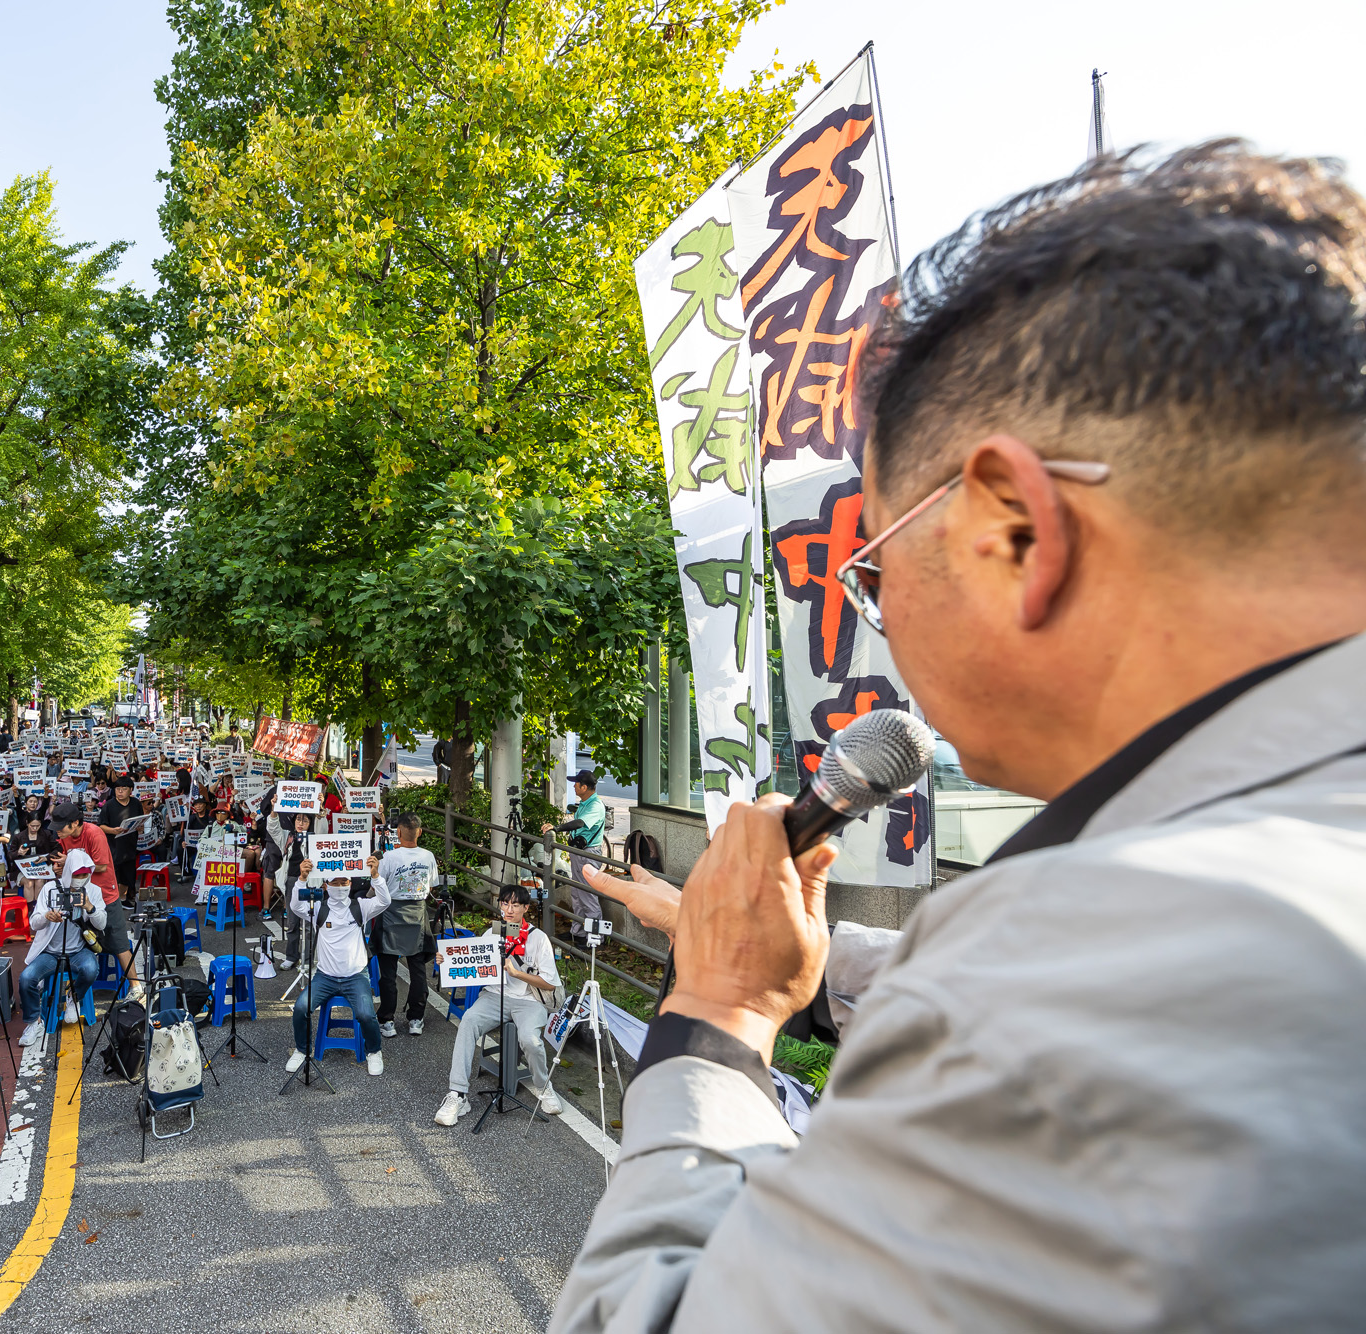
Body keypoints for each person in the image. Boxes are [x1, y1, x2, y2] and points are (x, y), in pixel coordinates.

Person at [554, 145, 1366, 1330]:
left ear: (1010, 530)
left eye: (873, 568)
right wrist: (800, 964)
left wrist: (719, 1015)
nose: (875, 612)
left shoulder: (1070, 989)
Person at [434, 885, 563, 1125]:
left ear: (526, 908)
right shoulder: (491, 933)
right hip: (495, 995)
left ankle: (543, 1086)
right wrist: (447, 960)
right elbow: (472, 965)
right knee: (468, 1022)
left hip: (529, 1000)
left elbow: (549, 984)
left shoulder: (538, 938)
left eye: (515, 905)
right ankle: (457, 1093)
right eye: (505, 904)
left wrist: (517, 973)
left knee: (530, 1040)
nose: (509, 910)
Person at [285, 855, 391, 1077]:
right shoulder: (317, 909)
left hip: (356, 976)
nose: (341, 886)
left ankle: (374, 1051)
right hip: (325, 977)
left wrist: (376, 876)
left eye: (345, 882)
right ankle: (302, 1050)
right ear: (325, 886)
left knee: (366, 1014)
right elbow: (295, 906)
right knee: (301, 1008)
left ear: (351, 883)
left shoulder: (360, 907)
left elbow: (384, 901)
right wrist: (302, 878)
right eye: (335, 882)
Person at [53, 802, 143, 1001]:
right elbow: (70, 862)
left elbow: (101, 866)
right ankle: (78, 987)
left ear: (75, 823)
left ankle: (136, 986)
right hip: (78, 895)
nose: (58, 831)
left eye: (61, 827)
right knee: (78, 939)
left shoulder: (94, 833)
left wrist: (68, 864)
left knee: (118, 941)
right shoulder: (65, 837)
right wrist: (61, 868)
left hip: (104, 894)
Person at [17, 849, 108, 1042]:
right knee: (26, 978)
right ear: (68, 873)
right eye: (77, 875)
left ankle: (74, 998)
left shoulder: (93, 891)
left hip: (79, 950)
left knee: (91, 969)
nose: (81, 879)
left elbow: (102, 924)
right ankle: (34, 1022)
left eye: (85, 874)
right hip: (50, 952)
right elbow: (34, 922)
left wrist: (89, 907)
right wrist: (46, 917)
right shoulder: (50, 889)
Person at [374, 812, 439, 1037]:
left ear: (398, 832)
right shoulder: (428, 856)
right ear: (419, 832)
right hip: (417, 913)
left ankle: (387, 1020)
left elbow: (377, 886)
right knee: (418, 970)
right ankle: (416, 1018)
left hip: (391, 913)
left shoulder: (388, 857)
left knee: (388, 972)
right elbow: (431, 886)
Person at [542, 768, 606, 934]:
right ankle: (578, 932)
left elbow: (580, 823)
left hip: (589, 855)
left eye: (576, 784)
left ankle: (594, 938)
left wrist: (557, 828)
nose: (574, 787)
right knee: (577, 894)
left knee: (587, 895)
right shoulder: (585, 803)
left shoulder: (596, 806)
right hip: (579, 853)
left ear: (584, 787)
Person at [271, 810, 315, 964]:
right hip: (291, 880)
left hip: (311, 882)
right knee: (292, 921)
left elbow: (323, 824)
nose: (301, 824)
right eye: (298, 819)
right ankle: (291, 956)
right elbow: (273, 829)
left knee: (310, 922)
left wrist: (321, 807)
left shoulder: (316, 838)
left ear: (310, 824)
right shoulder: (288, 836)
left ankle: (309, 959)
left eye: (305, 821)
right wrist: (274, 809)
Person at [97, 774, 145, 905]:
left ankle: (124, 899)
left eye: (123, 789)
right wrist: (113, 831)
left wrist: (139, 827)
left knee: (128, 874)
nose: (120, 792)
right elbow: (100, 826)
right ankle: (114, 901)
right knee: (114, 874)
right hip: (113, 845)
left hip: (130, 844)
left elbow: (140, 821)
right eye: (118, 789)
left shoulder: (136, 803)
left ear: (131, 790)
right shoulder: (109, 805)